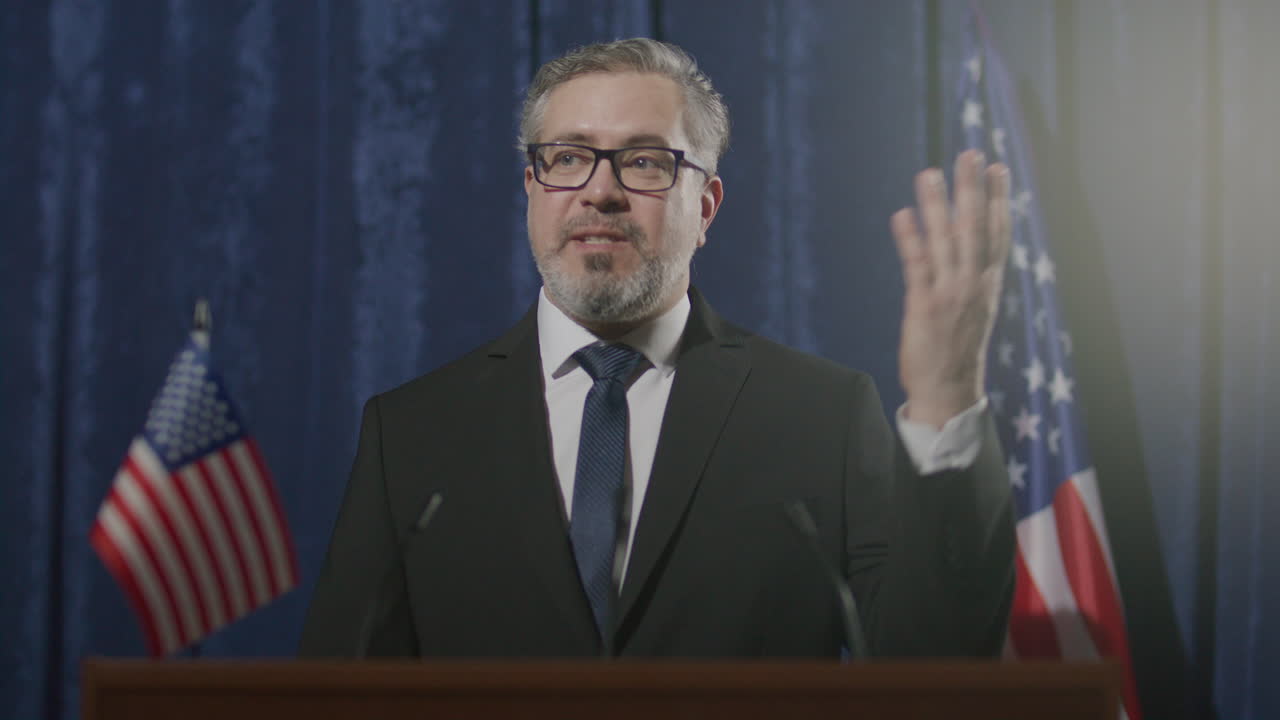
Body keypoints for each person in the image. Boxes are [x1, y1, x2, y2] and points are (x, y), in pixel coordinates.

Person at [299, 38, 1014, 658]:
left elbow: (936, 665)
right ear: (532, 189)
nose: (599, 191)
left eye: (644, 162)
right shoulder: (413, 435)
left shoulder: (821, 416)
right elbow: (338, 693)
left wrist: (946, 398)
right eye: (569, 157)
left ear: (704, 207)